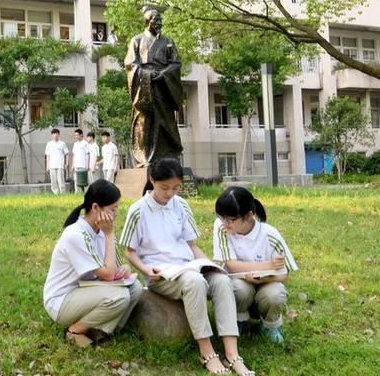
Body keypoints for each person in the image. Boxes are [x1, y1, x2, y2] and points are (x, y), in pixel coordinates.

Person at [120, 159, 254, 376]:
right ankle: (207, 351)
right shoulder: (138, 210)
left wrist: (209, 264)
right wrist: (146, 271)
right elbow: (129, 252)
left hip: (188, 266)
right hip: (161, 275)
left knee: (220, 280)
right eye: (165, 188)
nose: (170, 193)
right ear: (152, 180)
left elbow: (191, 246)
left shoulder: (181, 205)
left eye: (175, 188)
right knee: (195, 282)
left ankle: (232, 352)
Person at [43, 179, 142, 348]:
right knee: (119, 297)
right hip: (63, 300)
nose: (116, 213)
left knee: (135, 288)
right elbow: (108, 274)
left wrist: (124, 270)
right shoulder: (76, 234)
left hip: (87, 291)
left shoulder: (101, 231)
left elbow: (114, 269)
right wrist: (110, 235)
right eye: (113, 209)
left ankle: (103, 331)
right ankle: (74, 330)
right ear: (96, 207)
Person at [213, 186, 298, 344]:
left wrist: (264, 279)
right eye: (221, 217)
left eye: (231, 219)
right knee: (237, 289)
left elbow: (284, 273)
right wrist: (267, 265)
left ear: (249, 216)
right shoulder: (222, 228)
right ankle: (240, 322)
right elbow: (231, 265)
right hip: (239, 282)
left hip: (266, 283)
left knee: (275, 294)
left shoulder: (269, 234)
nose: (225, 223)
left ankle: (270, 326)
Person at [124, 7, 184, 170]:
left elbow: (176, 63)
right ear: (147, 21)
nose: (159, 23)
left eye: (160, 20)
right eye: (155, 20)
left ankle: (167, 156)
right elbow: (131, 64)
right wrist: (147, 75)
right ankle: (145, 157)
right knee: (145, 124)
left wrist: (163, 74)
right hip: (144, 89)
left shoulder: (168, 41)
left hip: (163, 87)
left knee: (165, 123)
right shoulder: (136, 40)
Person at [45, 128, 69, 194]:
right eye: (53, 134)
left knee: (61, 181)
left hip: (60, 165)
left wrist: (66, 163)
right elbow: (48, 155)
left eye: (56, 133)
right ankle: (56, 193)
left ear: (59, 134)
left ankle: (62, 193)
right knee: (53, 181)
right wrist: (47, 166)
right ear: (51, 135)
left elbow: (67, 154)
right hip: (51, 165)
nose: (55, 135)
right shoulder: (49, 144)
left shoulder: (62, 143)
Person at [71, 129, 90, 195]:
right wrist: (73, 165)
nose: (75, 136)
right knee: (76, 181)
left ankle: (87, 194)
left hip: (83, 165)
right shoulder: (75, 144)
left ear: (81, 135)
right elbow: (74, 155)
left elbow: (87, 154)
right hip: (76, 166)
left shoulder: (85, 143)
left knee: (85, 181)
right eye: (75, 135)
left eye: (77, 135)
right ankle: (77, 194)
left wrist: (87, 165)